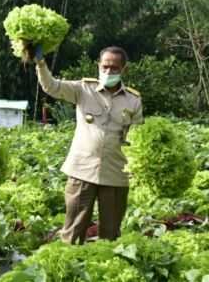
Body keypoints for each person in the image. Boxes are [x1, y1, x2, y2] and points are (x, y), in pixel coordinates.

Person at [35, 46, 143, 243]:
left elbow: (138, 138)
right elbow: (52, 87)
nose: (109, 71)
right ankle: (67, 268)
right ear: (98, 66)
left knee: (110, 235)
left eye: (115, 68)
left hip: (116, 173)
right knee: (73, 231)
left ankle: (105, 268)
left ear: (124, 70)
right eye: (105, 66)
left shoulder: (133, 100)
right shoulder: (84, 89)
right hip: (82, 169)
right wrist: (41, 63)